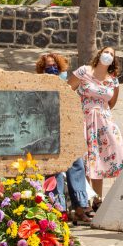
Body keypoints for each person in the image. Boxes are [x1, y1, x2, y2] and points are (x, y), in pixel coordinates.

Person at [35, 52, 93, 224]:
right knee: (54, 172)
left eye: (54, 66)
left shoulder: (68, 86)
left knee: (77, 166)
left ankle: (80, 209)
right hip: (48, 134)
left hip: (69, 132)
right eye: (48, 67)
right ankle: (58, 212)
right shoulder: (38, 87)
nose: (52, 69)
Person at [68, 47, 123, 200]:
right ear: (99, 54)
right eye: (106, 52)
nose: (107, 55)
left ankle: (97, 199)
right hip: (84, 118)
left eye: (111, 54)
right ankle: (84, 200)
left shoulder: (113, 79)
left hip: (104, 121)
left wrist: (101, 113)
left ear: (114, 60)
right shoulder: (84, 71)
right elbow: (68, 90)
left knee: (100, 158)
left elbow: (112, 102)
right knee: (85, 159)